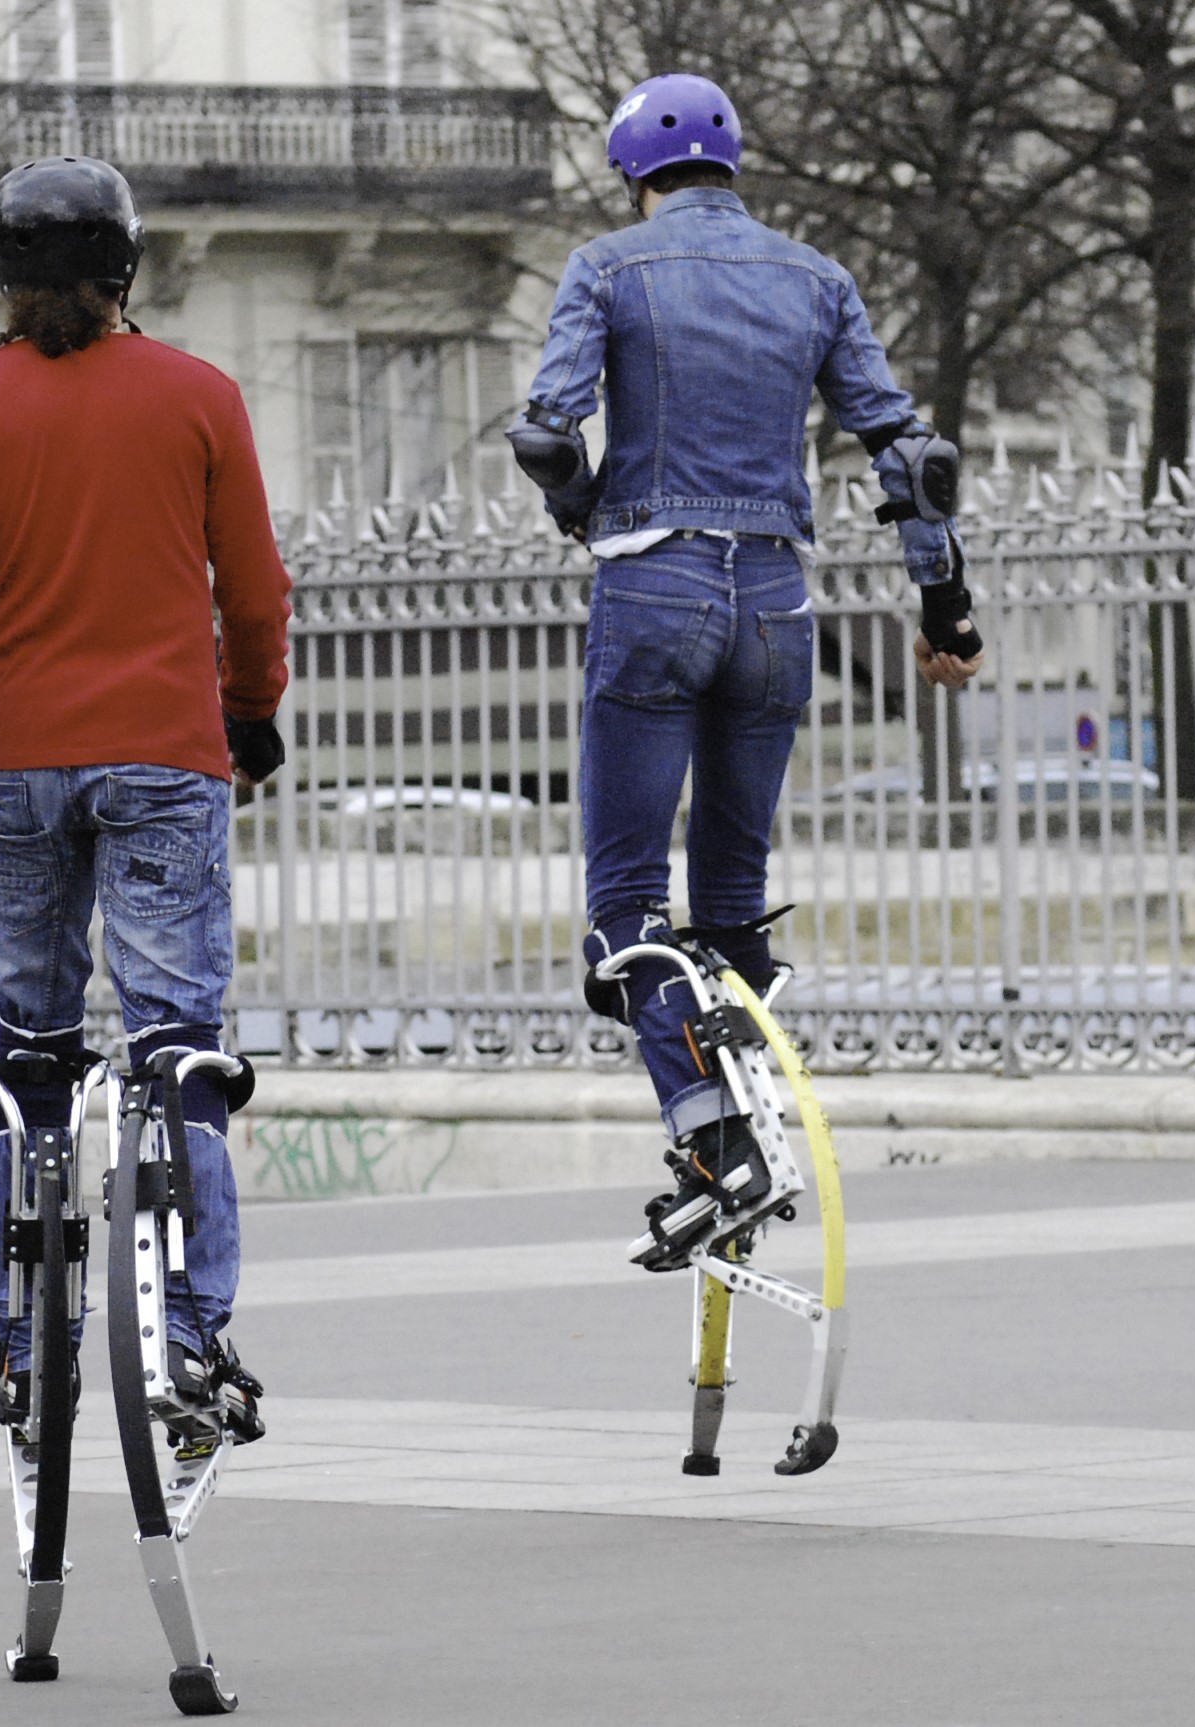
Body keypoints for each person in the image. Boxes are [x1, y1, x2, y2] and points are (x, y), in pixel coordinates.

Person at [0, 155, 292, 1453]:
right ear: (126, 269)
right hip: (165, 756)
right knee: (176, 1048)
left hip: (23, 762)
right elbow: (253, 584)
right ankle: (193, 1335)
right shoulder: (200, 396)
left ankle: (21, 1332)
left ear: (1, 276)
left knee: (28, 1052)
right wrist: (252, 704)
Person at [507, 72, 983, 1272]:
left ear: (634, 170)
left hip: (654, 583)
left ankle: (715, 1137)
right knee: (732, 894)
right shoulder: (817, 278)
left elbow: (548, 432)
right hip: (776, 598)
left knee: (626, 902)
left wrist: (583, 506)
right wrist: (946, 608)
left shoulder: (606, 268)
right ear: (729, 162)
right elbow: (912, 457)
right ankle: (758, 1098)